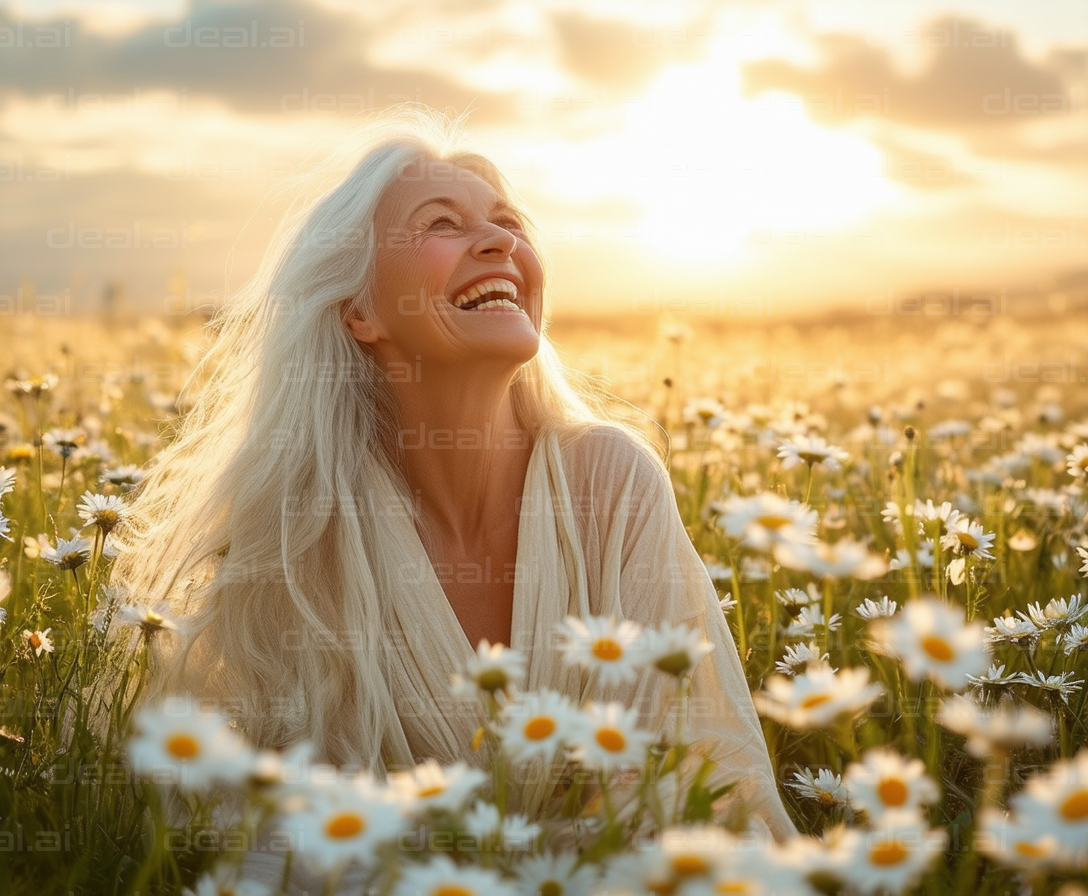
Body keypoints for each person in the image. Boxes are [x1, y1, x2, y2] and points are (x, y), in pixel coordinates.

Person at [114, 107, 796, 856]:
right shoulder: (300, 531)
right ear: (360, 311)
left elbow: (681, 780)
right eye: (442, 223)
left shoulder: (611, 484)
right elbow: (286, 830)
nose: (502, 240)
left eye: (509, 221)